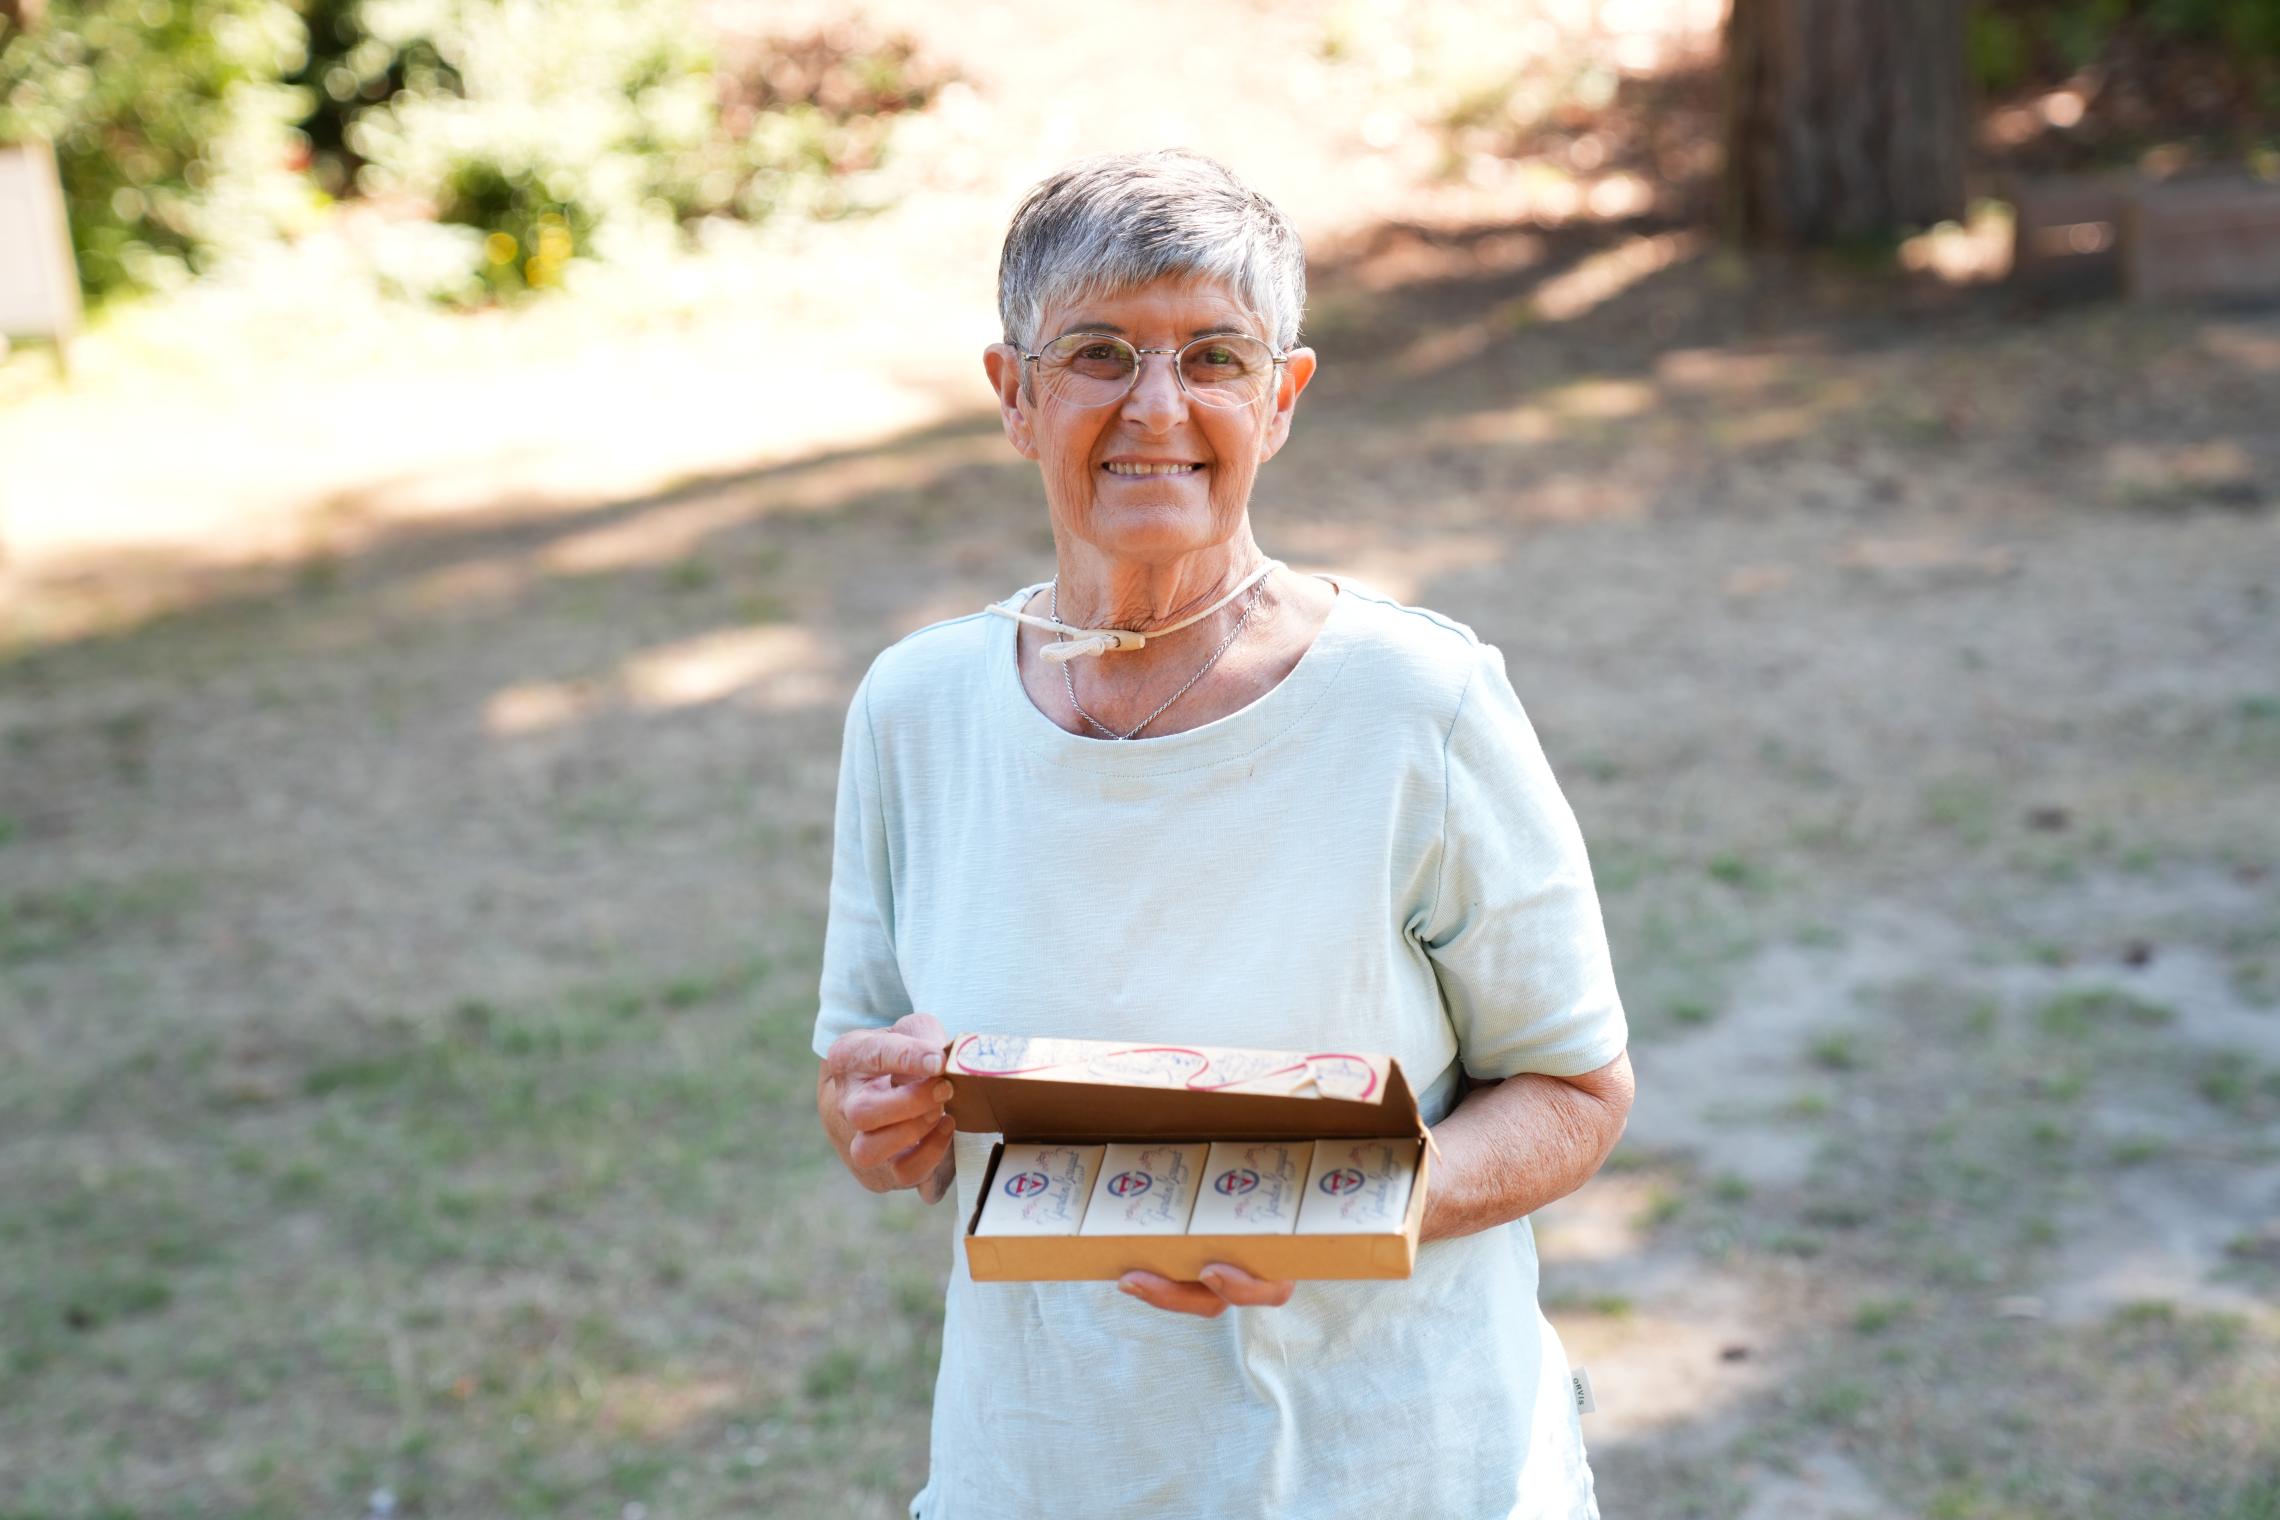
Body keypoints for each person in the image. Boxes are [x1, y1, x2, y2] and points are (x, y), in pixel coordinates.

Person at [812, 148, 1634, 1520]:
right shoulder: (916, 709)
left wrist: (1329, 1207)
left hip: (1396, 1476)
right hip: (1042, 1472)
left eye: (1212, 356)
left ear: (1281, 397)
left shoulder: (1413, 704)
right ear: (1015, 395)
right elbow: (879, 1097)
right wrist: (875, 1117)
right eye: (1096, 353)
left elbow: (1576, 1094)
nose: (1157, 406)